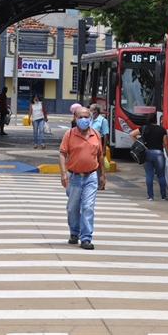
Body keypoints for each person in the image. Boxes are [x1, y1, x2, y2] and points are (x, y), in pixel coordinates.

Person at [58, 106, 106, 250]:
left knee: (88, 207)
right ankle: (74, 233)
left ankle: (86, 238)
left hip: (91, 176)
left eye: (87, 116)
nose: (84, 119)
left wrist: (102, 175)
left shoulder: (96, 135)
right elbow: (62, 154)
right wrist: (63, 173)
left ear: (91, 118)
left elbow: (100, 155)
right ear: (75, 118)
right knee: (72, 208)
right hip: (74, 177)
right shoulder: (69, 134)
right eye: (80, 117)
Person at [129, 112, 168, 201]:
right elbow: (166, 144)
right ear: (156, 120)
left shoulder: (144, 128)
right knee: (161, 175)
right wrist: (167, 155)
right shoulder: (162, 130)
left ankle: (150, 196)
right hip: (158, 153)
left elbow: (131, 134)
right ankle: (163, 196)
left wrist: (139, 143)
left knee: (149, 174)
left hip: (146, 152)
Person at [90, 103, 109, 190]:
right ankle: (94, 182)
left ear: (95, 112)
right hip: (90, 144)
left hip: (99, 143)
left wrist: (104, 148)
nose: (89, 112)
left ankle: (101, 182)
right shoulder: (90, 120)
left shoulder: (103, 121)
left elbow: (105, 135)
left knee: (99, 165)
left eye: (91, 110)